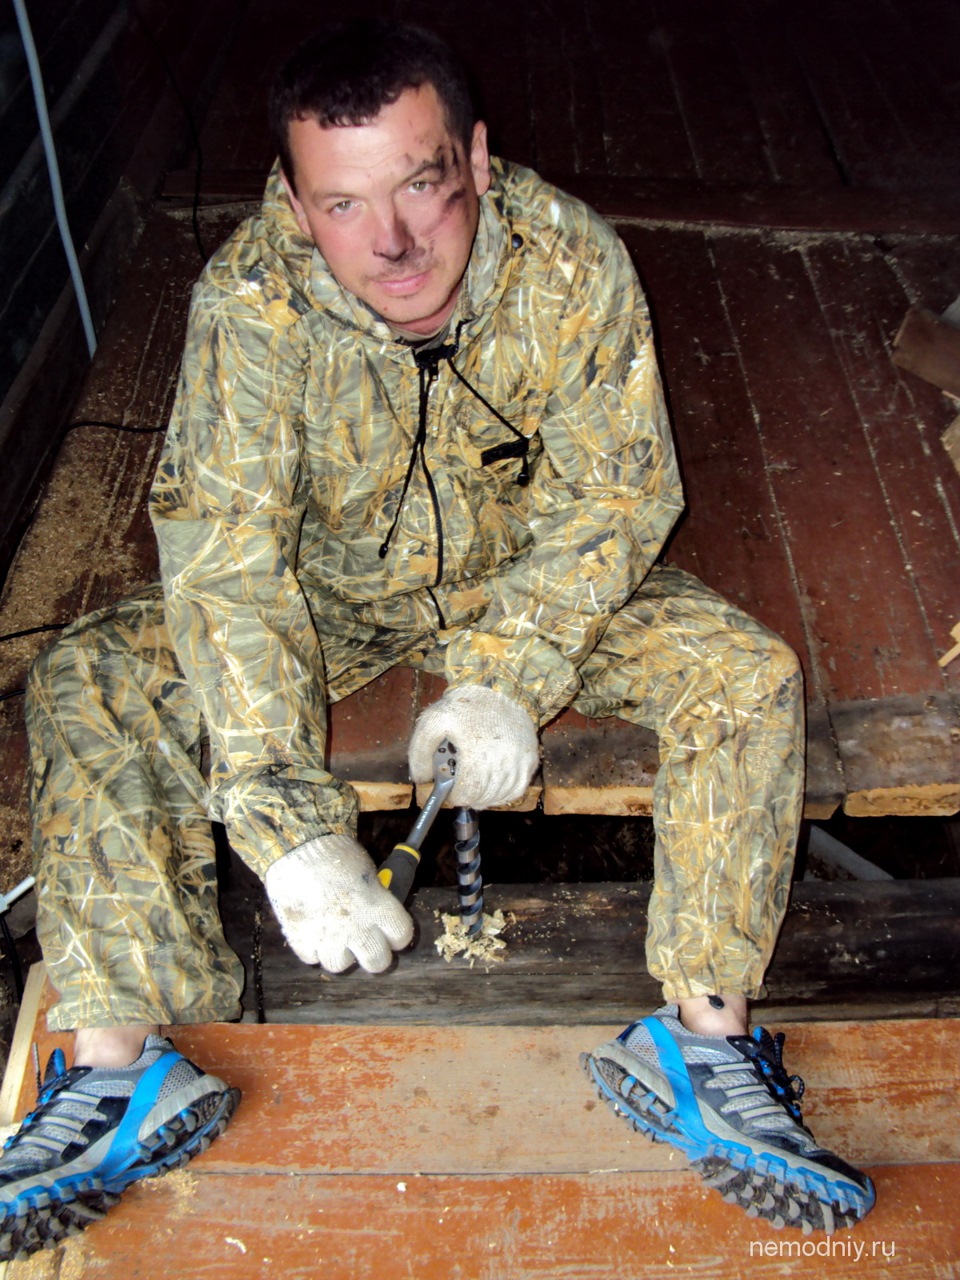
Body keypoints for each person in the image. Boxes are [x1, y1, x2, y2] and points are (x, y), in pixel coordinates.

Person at [0, 19, 874, 1261]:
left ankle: (705, 1039)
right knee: (90, 673)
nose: (395, 242)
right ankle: (117, 1070)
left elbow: (619, 493)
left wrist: (510, 672)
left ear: (474, 155)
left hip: (522, 576)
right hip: (328, 592)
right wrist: (287, 823)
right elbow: (228, 561)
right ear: (298, 208)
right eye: (344, 204)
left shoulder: (573, 262)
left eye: (420, 183)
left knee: (746, 675)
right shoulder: (248, 304)